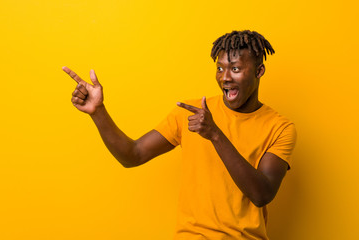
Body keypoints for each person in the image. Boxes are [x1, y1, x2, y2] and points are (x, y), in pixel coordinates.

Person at [63, 30, 297, 240]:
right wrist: (98, 112)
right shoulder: (190, 112)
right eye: (220, 68)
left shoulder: (280, 127)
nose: (225, 77)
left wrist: (215, 134)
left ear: (259, 71)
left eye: (235, 69)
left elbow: (262, 194)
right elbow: (132, 155)